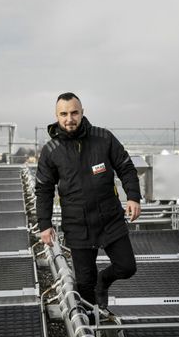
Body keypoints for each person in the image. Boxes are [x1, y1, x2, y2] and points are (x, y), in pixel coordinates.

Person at [35, 92, 141, 309]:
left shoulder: (103, 138)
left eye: (74, 112)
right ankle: (93, 327)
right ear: (56, 116)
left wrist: (133, 197)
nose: (69, 118)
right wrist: (44, 224)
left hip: (110, 219)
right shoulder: (51, 151)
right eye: (63, 114)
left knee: (127, 266)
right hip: (77, 226)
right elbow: (43, 189)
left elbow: (126, 167)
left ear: (82, 113)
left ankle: (104, 281)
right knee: (85, 284)